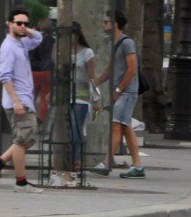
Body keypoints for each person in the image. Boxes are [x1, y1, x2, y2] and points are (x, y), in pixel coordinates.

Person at [0, 9, 45, 192]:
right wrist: (16, 101)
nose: (23, 27)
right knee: (21, 141)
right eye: (19, 23)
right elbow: (4, 76)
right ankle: (20, 182)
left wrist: (29, 31)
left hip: (25, 99)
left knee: (28, 138)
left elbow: (39, 39)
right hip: (18, 102)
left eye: (26, 24)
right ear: (9, 24)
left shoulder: (21, 43)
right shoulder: (9, 47)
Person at [92, 11, 146, 178]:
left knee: (116, 124)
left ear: (115, 24)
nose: (103, 25)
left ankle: (108, 161)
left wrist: (118, 89)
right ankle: (137, 166)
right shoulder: (111, 43)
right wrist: (98, 80)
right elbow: (112, 67)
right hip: (122, 90)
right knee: (125, 127)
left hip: (128, 91)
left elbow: (132, 69)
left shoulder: (127, 43)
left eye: (106, 22)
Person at [51, 21, 99, 187]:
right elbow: (53, 62)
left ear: (78, 35)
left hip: (81, 94)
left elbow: (92, 77)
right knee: (65, 131)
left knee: (75, 129)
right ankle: (66, 162)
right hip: (65, 95)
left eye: (71, 35)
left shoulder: (87, 53)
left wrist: (96, 98)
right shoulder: (61, 52)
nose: (69, 38)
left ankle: (76, 162)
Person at [29, 17, 55, 122]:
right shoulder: (53, 41)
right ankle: (41, 118)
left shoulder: (35, 39)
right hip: (47, 70)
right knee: (45, 97)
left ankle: (27, 116)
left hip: (33, 70)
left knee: (31, 95)